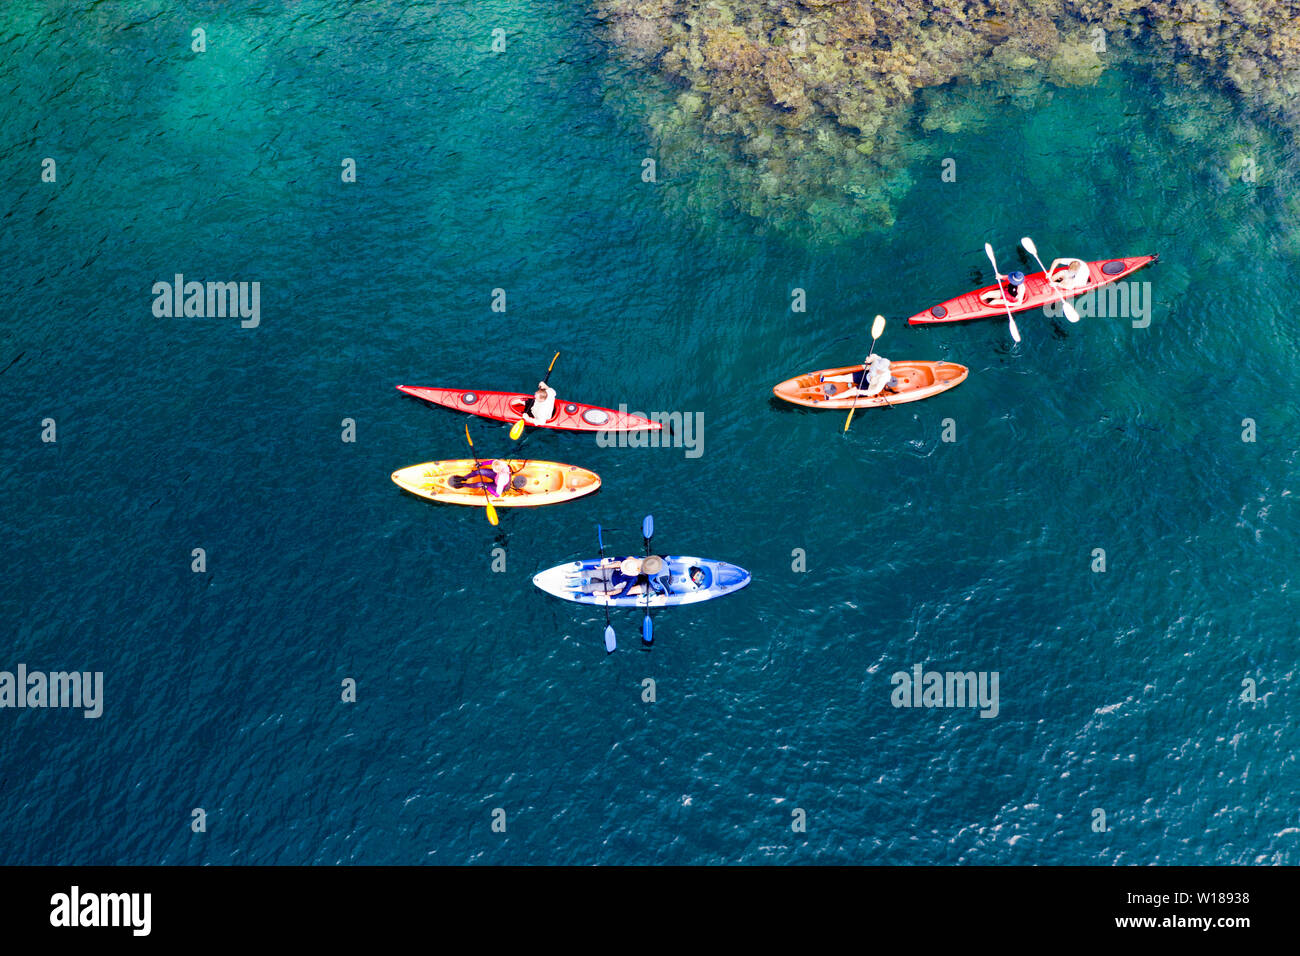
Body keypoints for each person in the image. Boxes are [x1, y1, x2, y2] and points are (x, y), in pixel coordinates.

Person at [822, 354, 897, 399]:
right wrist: (869, 359)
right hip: (866, 375)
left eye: (879, 369)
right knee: (845, 377)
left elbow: (875, 391)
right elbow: (874, 356)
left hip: (870, 386)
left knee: (851, 392)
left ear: (884, 370)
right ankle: (824, 378)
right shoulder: (878, 360)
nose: (877, 369)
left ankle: (831, 398)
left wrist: (859, 391)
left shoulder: (884, 378)